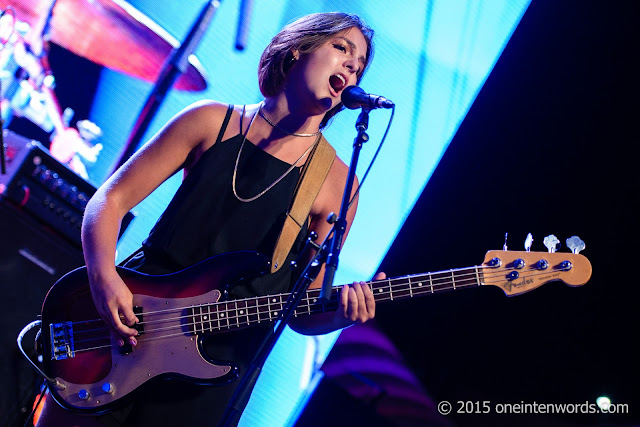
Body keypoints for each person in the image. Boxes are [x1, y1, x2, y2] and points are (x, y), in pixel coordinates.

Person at [36, 11, 384, 426]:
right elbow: (109, 200)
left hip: (210, 376)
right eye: (341, 48)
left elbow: (300, 310)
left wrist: (341, 315)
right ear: (297, 50)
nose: (351, 65)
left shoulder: (334, 184)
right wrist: (103, 277)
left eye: (359, 64)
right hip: (125, 329)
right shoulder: (211, 121)